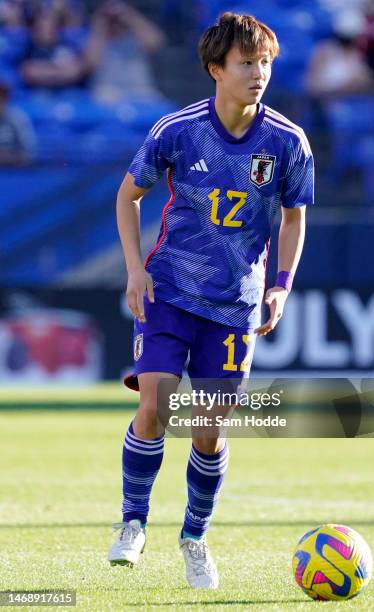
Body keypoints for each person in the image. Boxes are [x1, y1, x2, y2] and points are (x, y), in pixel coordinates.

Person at [109, 12, 314, 589]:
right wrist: (133, 270)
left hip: (235, 305)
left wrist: (281, 282)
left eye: (265, 63)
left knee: (207, 429)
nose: (258, 73)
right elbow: (128, 198)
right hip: (169, 290)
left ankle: (194, 536)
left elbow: (295, 217)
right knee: (155, 404)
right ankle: (132, 522)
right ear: (215, 69)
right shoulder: (177, 131)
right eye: (247, 63)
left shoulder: (287, 142)